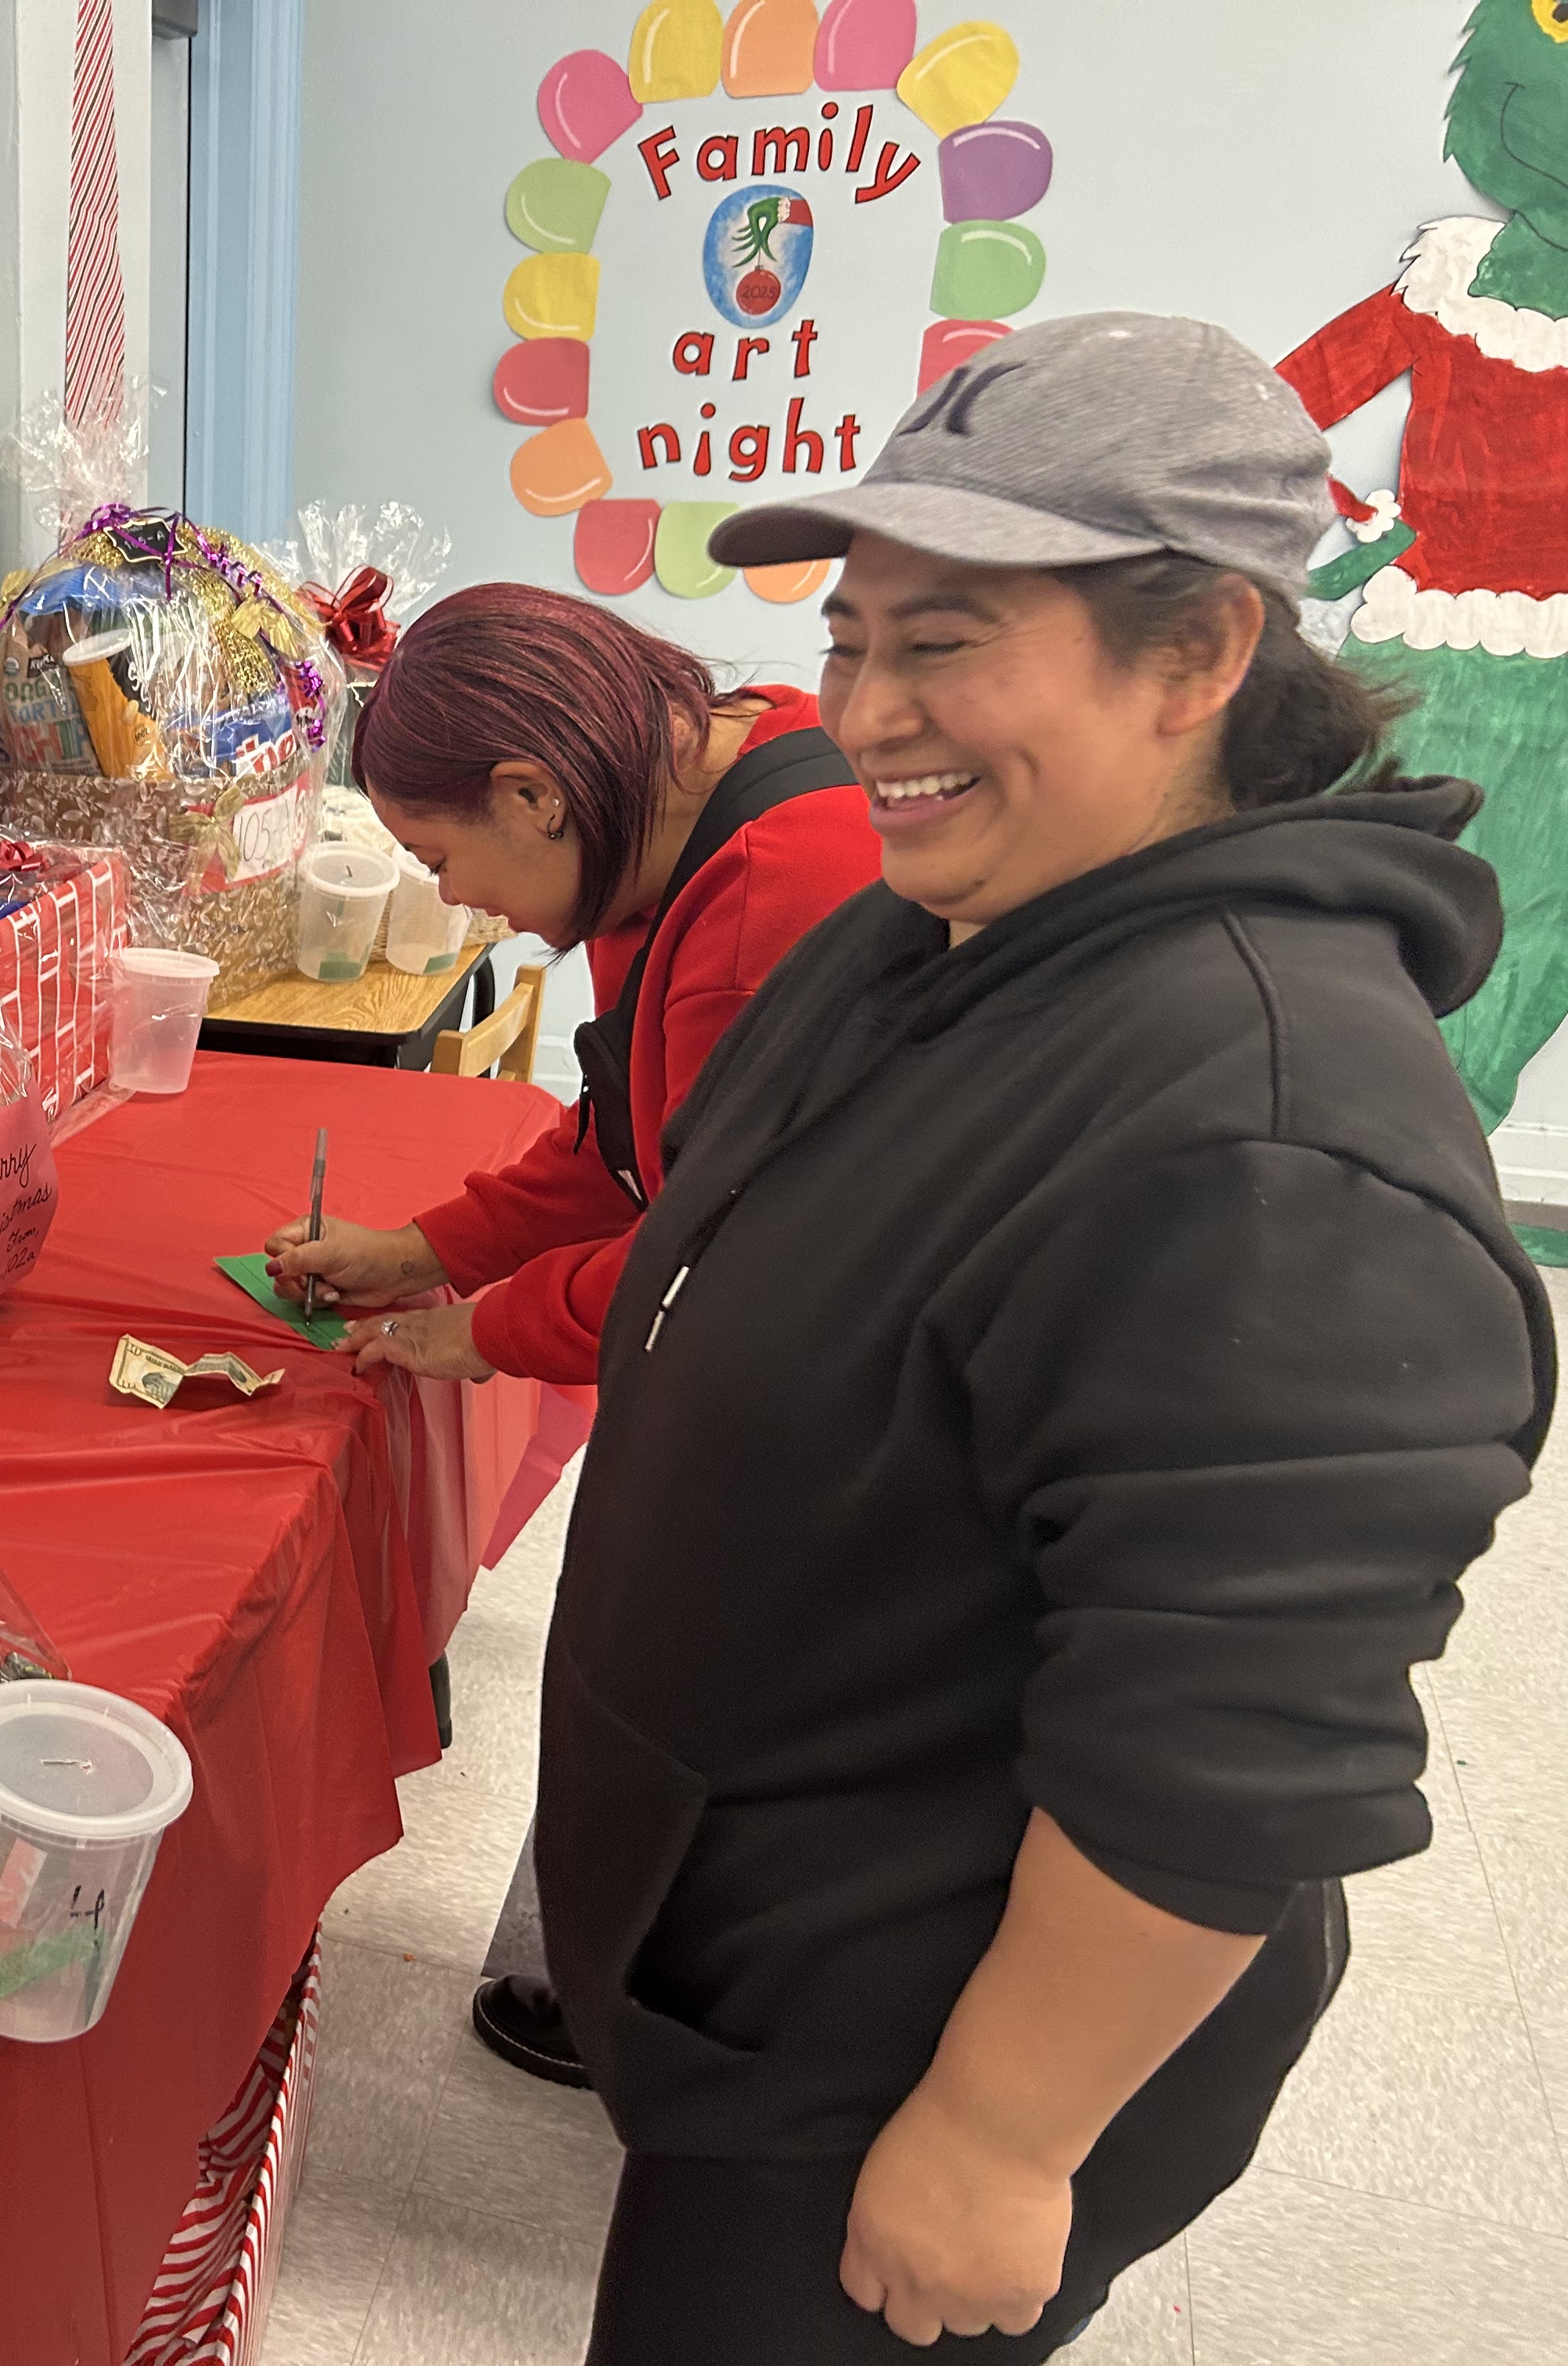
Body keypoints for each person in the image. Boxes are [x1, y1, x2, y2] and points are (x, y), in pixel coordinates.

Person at [541, 310, 1550, 2362]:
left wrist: (1003, 2135)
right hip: (767, 1950)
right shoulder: (937, 933)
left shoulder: (1274, 1144)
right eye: (851, 640)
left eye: (945, 643)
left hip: (920, 2045)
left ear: (1199, 657)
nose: (865, 711)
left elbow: (1233, 1751)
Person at [260, 581, 881, 2085]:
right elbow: (625, 1138)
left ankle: (667, 2011)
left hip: (820, 1416)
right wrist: (424, 1253)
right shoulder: (669, 819)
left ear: (533, 794)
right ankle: (605, 1966)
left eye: (441, 860)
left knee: (697, 1703)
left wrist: (485, 1328)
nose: (460, 903)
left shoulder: (774, 898)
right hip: (762, 1363)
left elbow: (719, 1264)